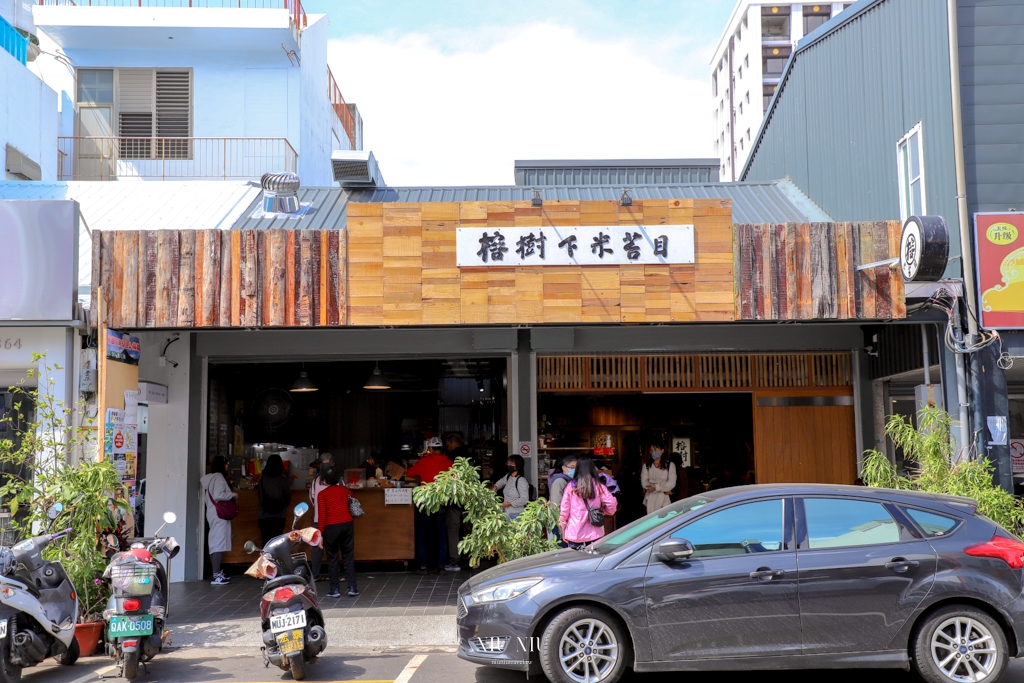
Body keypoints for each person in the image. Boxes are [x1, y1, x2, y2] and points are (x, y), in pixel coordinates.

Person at [406, 437, 452, 574]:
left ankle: (423, 567)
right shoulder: (449, 463)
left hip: (425, 501)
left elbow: (409, 473)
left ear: (430, 449)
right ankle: (442, 567)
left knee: (423, 534)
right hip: (441, 501)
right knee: (441, 534)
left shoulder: (424, 461)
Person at [316, 465, 357, 598]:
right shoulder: (345, 490)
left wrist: (320, 534)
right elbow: (353, 502)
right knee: (348, 556)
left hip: (331, 527)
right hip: (347, 524)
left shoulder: (322, 494)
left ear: (324, 480)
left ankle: (335, 590)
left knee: (332, 558)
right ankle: (352, 587)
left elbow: (322, 516)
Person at [559, 455, 617, 549]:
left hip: (574, 534)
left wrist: (563, 529)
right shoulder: (599, 486)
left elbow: (564, 511)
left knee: (576, 562)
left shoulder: (571, 487)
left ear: (577, 468)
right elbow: (612, 504)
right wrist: (604, 511)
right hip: (595, 534)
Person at [200, 456, 237, 585]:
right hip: (219, 514)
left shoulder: (211, 479)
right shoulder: (219, 478)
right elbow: (218, 496)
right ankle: (216, 575)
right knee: (218, 542)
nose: (227, 466)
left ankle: (217, 573)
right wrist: (233, 495)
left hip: (212, 513)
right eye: (226, 464)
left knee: (216, 541)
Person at [443, 434, 471, 572]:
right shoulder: (472, 455)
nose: (447, 448)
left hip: (454, 499)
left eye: (447, 445)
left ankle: (455, 561)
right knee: (469, 530)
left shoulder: (450, 458)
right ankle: (472, 559)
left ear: (452, 443)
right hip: (470, 498)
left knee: (453, 530)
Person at [257, 454, 291, 547]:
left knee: (266, 542)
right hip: (279, 515)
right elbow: (288, 499)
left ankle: (265, 560)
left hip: (263, 515)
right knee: (277, 542)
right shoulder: (283, 480)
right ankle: (275, 561)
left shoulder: (262, 480)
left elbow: (260, 496)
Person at [309, 453, 332, 580]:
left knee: (317, 548)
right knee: (332, 547)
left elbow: (312, 498)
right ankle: (333, 574)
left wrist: (318, 508)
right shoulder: (337, 479)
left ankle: (315, 574)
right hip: (334, 519)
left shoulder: (315, 481)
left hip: (318, 518)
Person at [547, 456, 577, 547]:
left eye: (576, 467)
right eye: (572, 467)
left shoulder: (570, 481)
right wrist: (561, 522)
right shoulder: (560, 481)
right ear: (563, 467)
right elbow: (556, 505)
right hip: (558, 522)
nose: (574, 469)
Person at [640, 440, 677, 514]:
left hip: (665, 501)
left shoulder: (670, 465)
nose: (653, 451)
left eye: (655, 449)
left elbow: (671, 483)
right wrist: (663, 486)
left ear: (662, 450)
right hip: (650, 500)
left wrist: (655, 487)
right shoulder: (647, 466)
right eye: (651, 450)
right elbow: (644, 483)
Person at [492, 454, 530, 519]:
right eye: (508, 463)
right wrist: (495, 487)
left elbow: (524, 499)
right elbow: (501, 482)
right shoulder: (509, 476)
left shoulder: (521, 481)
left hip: (516, 514)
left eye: (511, 463)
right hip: (507, 513)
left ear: (518, 465)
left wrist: (510, 504)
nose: (509, 465)